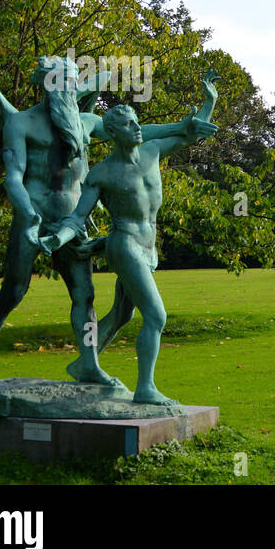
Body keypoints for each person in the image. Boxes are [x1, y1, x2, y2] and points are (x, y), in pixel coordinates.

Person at [40, 71, 219, 405]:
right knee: (156, 316)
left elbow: (193, 133)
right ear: (112, 132)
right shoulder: (102, 174)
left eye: (138, 122)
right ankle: (145, 387)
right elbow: (77, 216)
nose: (138, 128)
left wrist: (210, 101)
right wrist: (59, 239)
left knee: (124, 314)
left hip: (149, 249)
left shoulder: (153, 151)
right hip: (125, 246)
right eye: (129, 125)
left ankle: (85, 361)